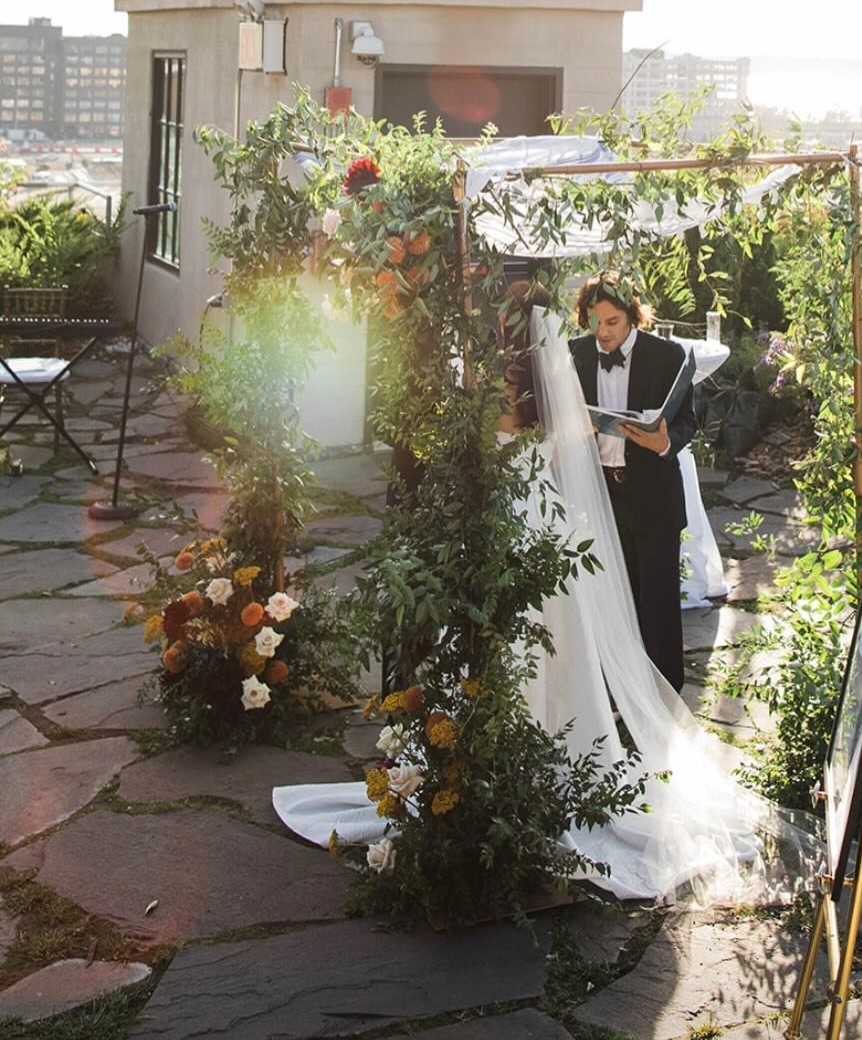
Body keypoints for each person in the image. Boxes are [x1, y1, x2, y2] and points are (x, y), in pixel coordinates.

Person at [272, 303, 819, 905]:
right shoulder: (547, 388)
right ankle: (506, 749)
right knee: (542, 636)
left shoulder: (518, 398)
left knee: (541, 633)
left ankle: (515, 753)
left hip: (531, 525)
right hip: (535, 521)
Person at [568, 272, 695, 692]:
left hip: (652, 494)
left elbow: (689, 421)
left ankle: (665, 697)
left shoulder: (668, 356)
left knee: (657, 603)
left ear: (633, 317)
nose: (602, 333)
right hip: (600, 494)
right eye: (594, 322)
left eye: (612, 323)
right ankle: (616, 692)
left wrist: (664, 442)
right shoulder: (575, 355)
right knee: (610, 600)